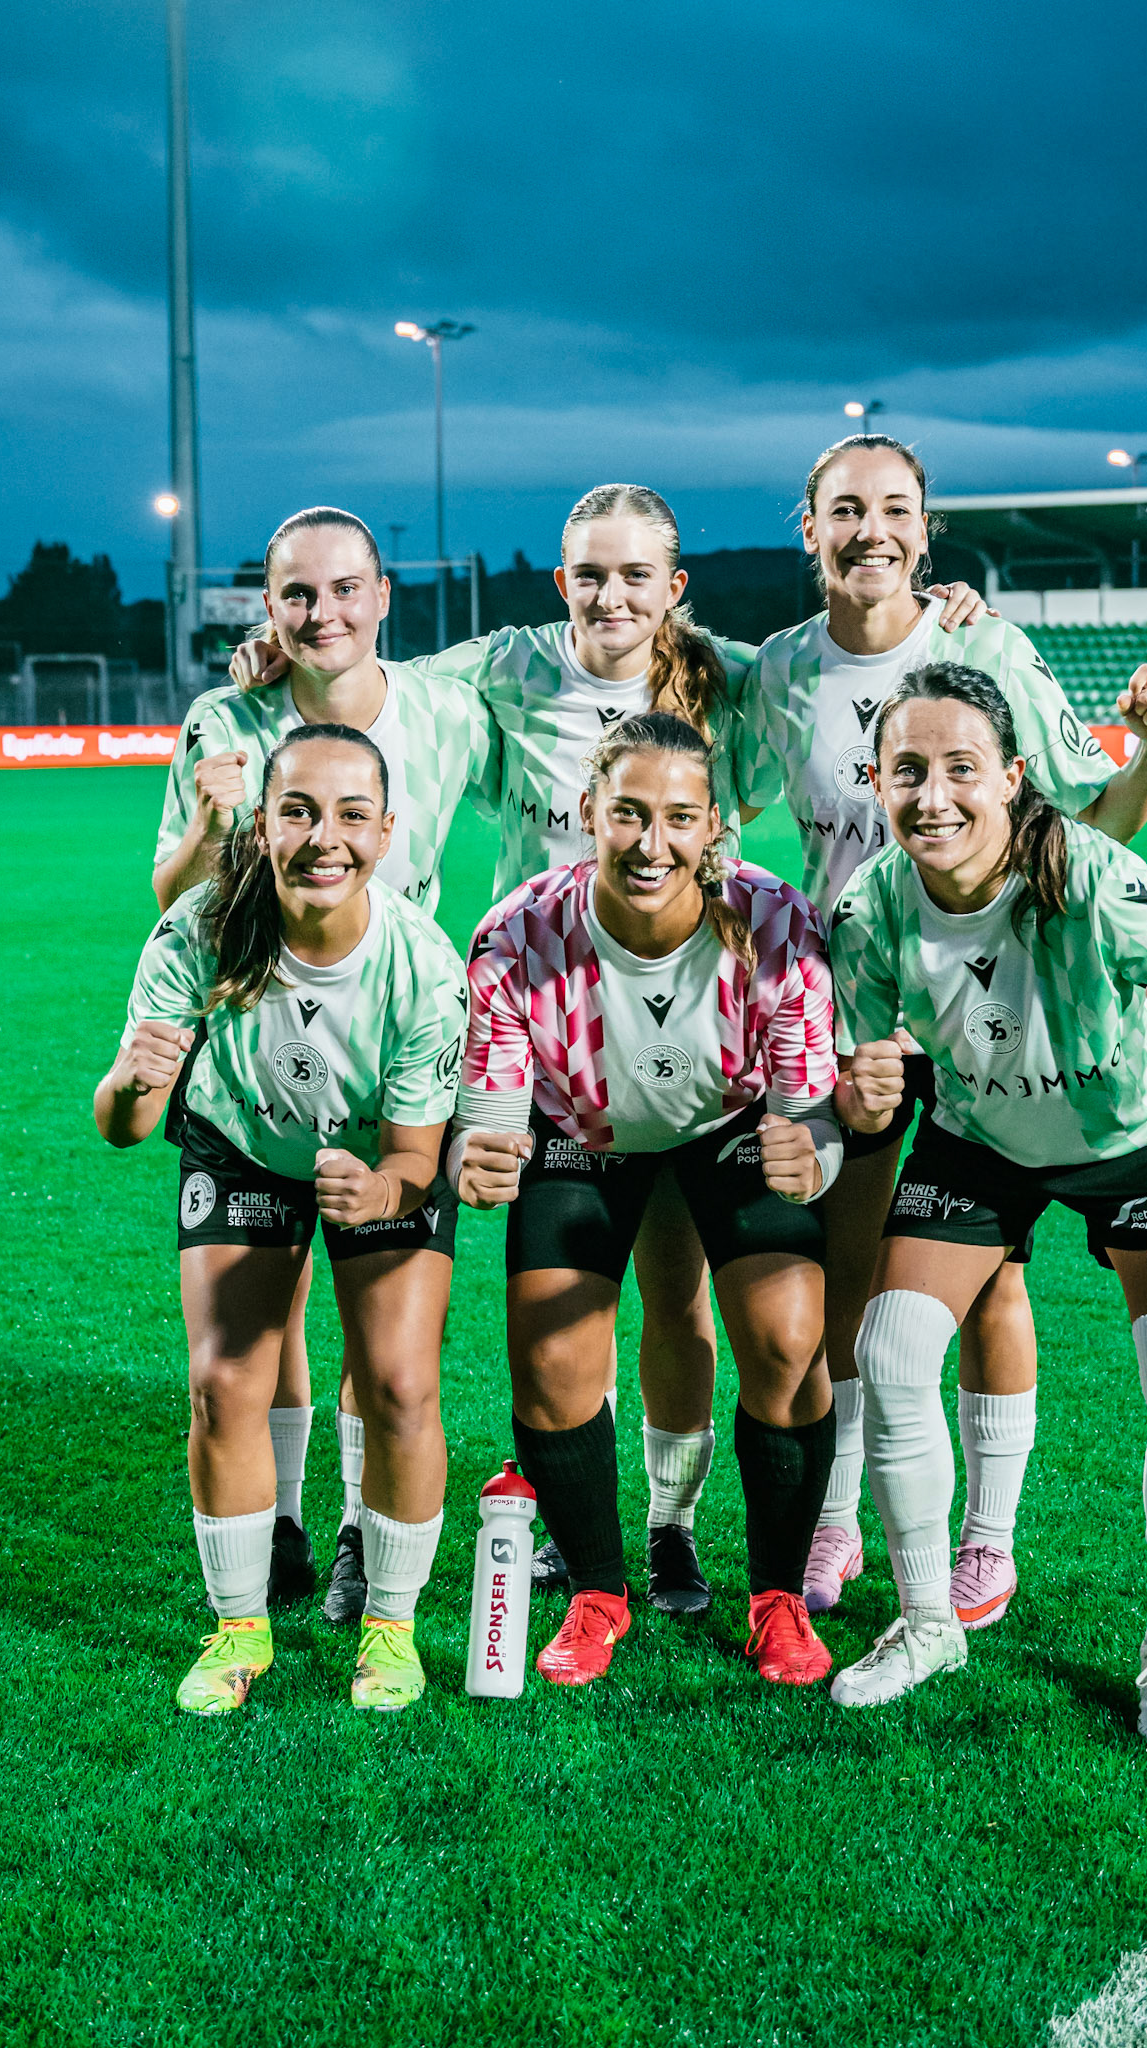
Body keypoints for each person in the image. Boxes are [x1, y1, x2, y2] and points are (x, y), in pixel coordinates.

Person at [231, 483, 990, 1614]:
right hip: (547, 1037)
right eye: (592, 571)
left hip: (697, 1025)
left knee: (684, 1302)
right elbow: (367, 671)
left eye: (638, 573)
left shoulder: (734, 676)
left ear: (674, 589)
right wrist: (293, 642)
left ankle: (670, 1530)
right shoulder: (505, 669)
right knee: (545, 1320)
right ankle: (460, 1538)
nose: (613, 594)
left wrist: (941, 619)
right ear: (562, 581)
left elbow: (840, 655)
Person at [741, 434, 1147, 1624]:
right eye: (846, 509)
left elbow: (1094, 820)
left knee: (986, 1279)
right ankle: (839, 1515)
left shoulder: (983, 644)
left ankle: (986, 1537)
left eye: (895, 509)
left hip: (987, 1005)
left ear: (927, 531)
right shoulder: (778, 670)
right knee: (854, 1266)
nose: (871, 529)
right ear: (809, 528)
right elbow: (707, 793)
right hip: (859, 996)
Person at [826, 664, 1147, 1747]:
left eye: (960, 770)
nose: (932, 796)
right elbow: (857, 1080)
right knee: (891, 1347)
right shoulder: (867, 906)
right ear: (876, 783)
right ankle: (929, 1619)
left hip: (1141, 1138)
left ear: (1015, 777)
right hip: (984, 1134)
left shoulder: (1095, 878)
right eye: (907, 772)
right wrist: (862, 1088)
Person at [155, 507, 496, 1627]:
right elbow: (178, 895)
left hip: (394, 1029)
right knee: (271, 1313)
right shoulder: (227, 717)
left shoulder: (449, 706)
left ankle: (362, 1531)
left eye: (345, 590)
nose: (323, 613)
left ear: (384, 596)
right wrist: (216, 823)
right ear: (267, 605)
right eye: (298, 595)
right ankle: (285, 1520)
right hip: (264, 1033)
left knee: (384, 1337)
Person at [451, 712, 842, 1688]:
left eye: (679, 818)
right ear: (589, 812)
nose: (650, 842)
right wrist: (483, 1154)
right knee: (547, 1350)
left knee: (791, 1340)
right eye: (627, 813)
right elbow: (493, 1113)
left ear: (715, 827)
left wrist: (814, 1154)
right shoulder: (516, 932)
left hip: (728, 1126)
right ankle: (597, 1590)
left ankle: (778, 1597)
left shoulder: (777, 923)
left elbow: (812, 1116)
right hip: (583, 1136)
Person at [96, 723, 469, 1715]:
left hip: (377, 1158)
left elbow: (416, 1158)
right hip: (243, 1147)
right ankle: (237, 1628)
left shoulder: (423, 965)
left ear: (389, 833)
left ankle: (391, 1628)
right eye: (297, 810)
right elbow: (122, 1125)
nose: (323, 836)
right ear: (261, 823)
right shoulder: (199, 929)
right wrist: (134, 1082)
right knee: (223, 1382)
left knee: (396, 1381)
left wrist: (382, 1192)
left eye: (352, 814)